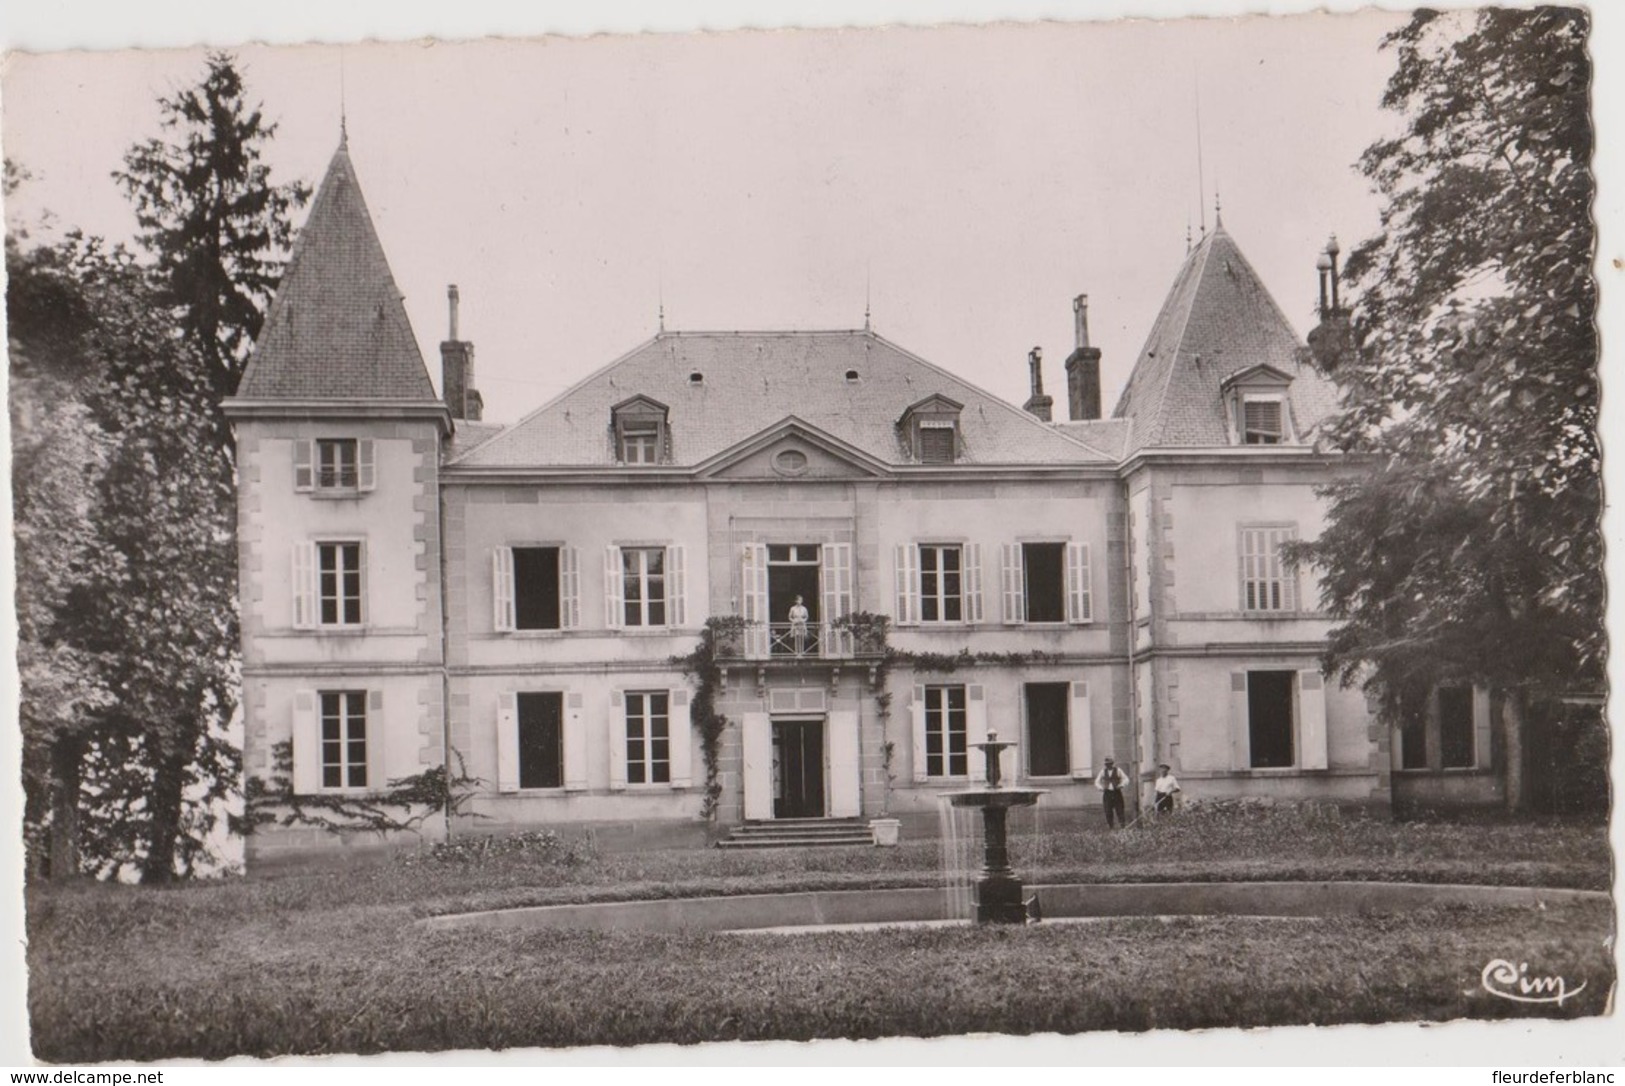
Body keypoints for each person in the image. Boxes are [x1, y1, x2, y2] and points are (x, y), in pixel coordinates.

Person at [1094, 756, 1128, 829]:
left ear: (1112, 764)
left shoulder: (1118, 770)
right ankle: (1111, 826)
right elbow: (1097, 781)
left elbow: (1126, 779)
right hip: (1107, 793)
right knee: (1108, 810)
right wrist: (1101, 788)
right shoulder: (1103, 771)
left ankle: (1122, 826)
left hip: (1116, 792)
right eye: (1106, 764)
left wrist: (1121, 785)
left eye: (1109, 764)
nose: (1108, 765)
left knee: (1120, 809)